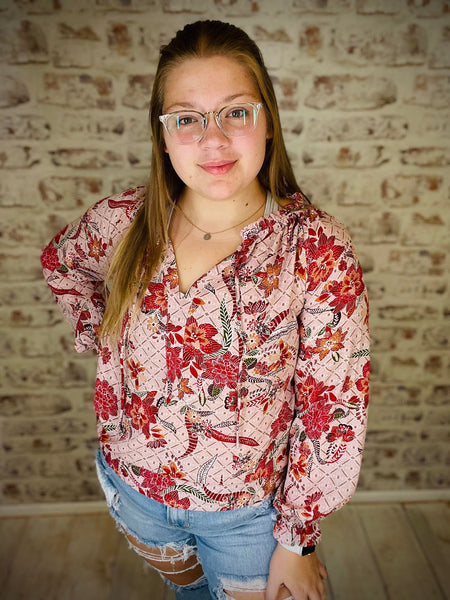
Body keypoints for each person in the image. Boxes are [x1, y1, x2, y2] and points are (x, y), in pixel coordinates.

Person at [41, 19, 369, 600]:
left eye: (236, 112)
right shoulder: (124, 222)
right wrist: (108, 342)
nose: (212, 139)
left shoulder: (314, 248)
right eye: (187, 118)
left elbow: (333, 409)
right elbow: (64, 263)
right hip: (133, 493)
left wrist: (298, 540)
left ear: (267, 121)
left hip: (248, 522)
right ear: (163, 135)